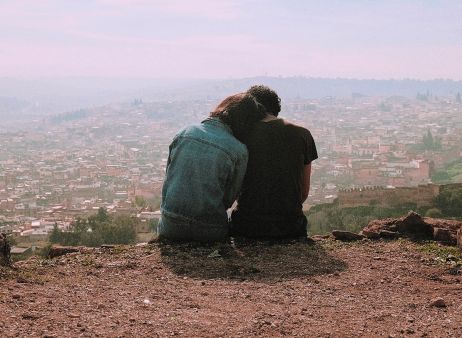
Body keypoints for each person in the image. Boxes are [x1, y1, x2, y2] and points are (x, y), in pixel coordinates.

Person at [159, 93, 266, 242]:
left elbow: (169, 178)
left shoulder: (184, 133)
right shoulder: (239, 150)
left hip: (170, 226)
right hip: (209, 230)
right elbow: (228, 199)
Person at [231, 85, 318, 239]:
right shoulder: (302, 134)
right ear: (276, 108)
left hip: (246, 227)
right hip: (291, 227)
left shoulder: (240, 135)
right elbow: (303, 192)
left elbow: (233, 190)